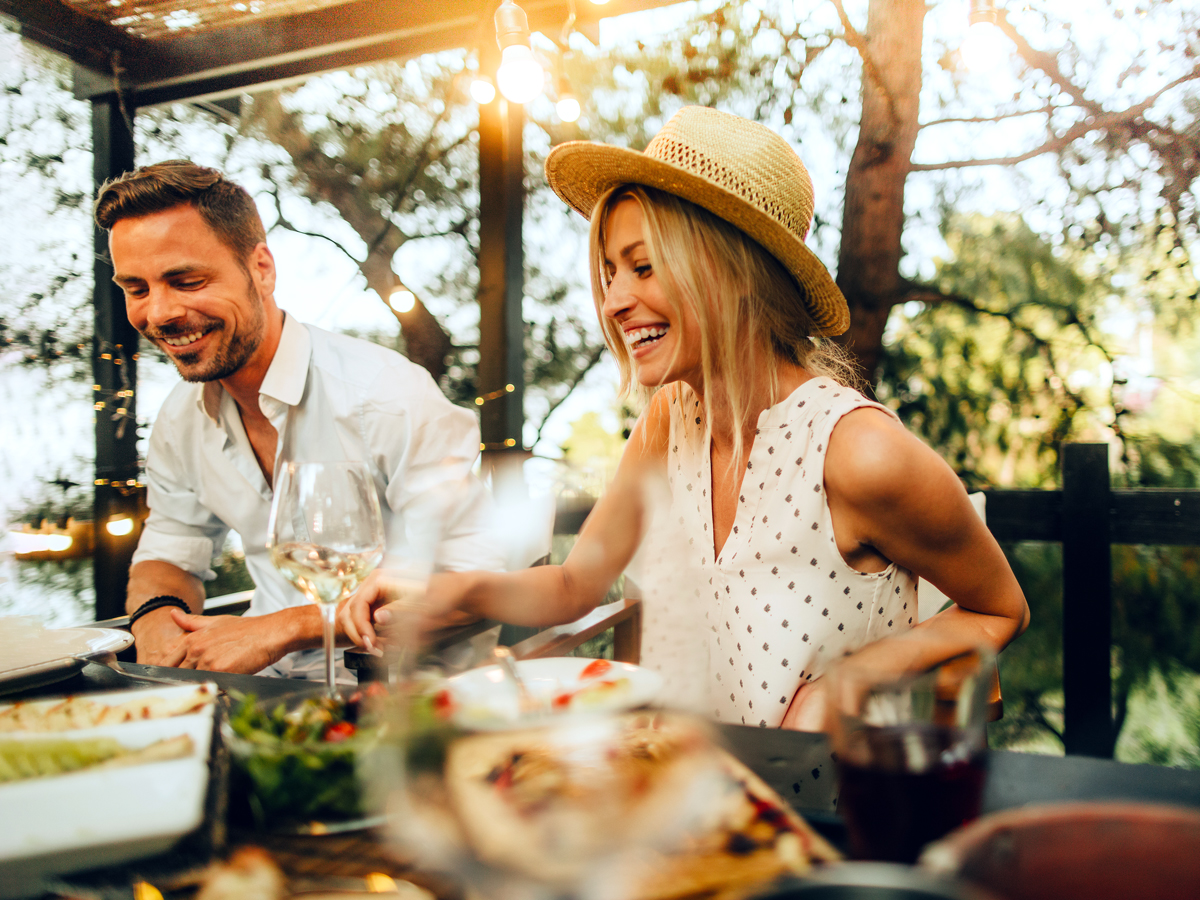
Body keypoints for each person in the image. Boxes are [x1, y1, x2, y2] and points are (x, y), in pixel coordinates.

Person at [340, 107, 1029, 727]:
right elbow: (575, 584)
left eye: (642, 267)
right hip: (701, 802)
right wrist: (454, 586)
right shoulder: (670, 419)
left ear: (732, 273)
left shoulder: (858, 452)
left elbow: (1000, 608)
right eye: (610, 272)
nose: (613, 301)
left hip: (837, 814)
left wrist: (850, 681)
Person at [95, 160, 503, 678]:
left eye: (188, 281)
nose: (158, 313)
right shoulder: (180, 419)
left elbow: (477, 584)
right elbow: (170, 554)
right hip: (259, 695)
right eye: (136, 289)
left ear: (261, 269)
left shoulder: (385, 397)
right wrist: (153, 621)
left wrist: (285, 627)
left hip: (413, 701)